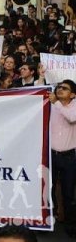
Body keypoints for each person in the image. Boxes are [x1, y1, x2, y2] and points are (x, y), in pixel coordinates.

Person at [49, 79, 76, 237]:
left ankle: (71, 224)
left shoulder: (71, 106)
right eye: (58, 87)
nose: (59, 90)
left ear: (72, 94)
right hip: (52, 154)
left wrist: (57, 103)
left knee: (68, 193)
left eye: (64, 88)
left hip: (69, 157)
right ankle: (51, 216)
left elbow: (72, 118)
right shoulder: (52, 104)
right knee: (49, 189)